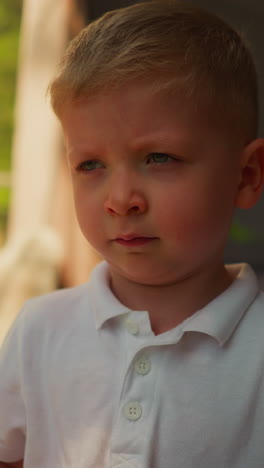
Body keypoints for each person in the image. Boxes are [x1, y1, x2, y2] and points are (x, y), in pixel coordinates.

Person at [1, 1, 264, 466]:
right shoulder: (39, 331)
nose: (121, 199)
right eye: (90, 165)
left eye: (159, 158)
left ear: (245, 176)